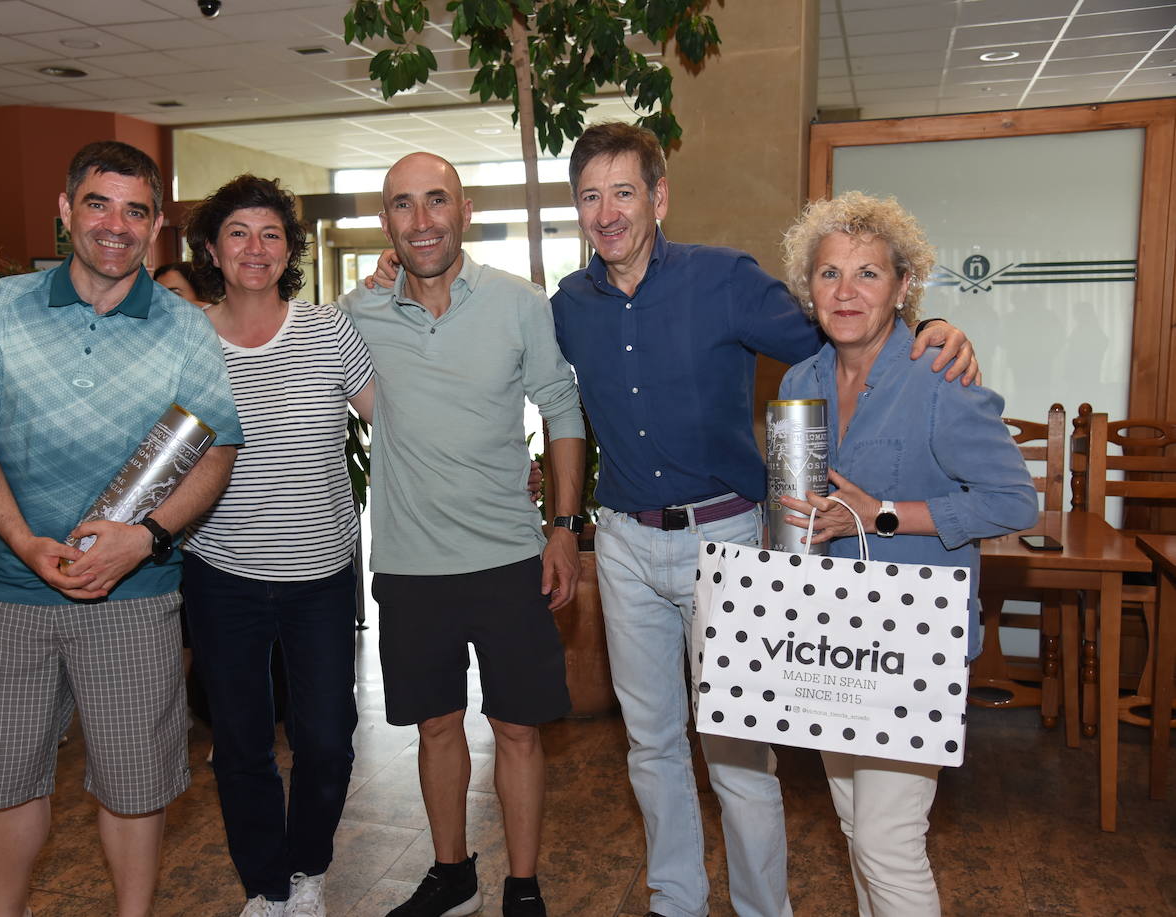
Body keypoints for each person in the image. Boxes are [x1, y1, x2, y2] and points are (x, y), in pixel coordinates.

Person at [549, 122, 979, 917]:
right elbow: (528, 373)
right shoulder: (570, 306)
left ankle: (760, 909)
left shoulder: (724, 279)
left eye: (623, 191)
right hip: (624, 544)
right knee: (651, 745)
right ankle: (676, 898)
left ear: (659, 196)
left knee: (740, 752)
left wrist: (933, 331)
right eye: (589, 195)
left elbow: (843, 323)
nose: (606, 212)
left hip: (728, 542)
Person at [0, 140, 243, 917]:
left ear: (157, 224)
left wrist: (147, 539)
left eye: (135, 210)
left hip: (134, 596)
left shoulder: (184, 327)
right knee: (1, 781)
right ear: (66, 208)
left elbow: (218, 451)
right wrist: (21, 540)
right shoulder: (2, 305)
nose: (115, 225)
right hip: (7, 589)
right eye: (98, 204)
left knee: (136, 786)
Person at [776, 190, 1035, 915]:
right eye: (830, 274)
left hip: (912, 643)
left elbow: (1015, 502)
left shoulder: (936, 375)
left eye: (868, 274)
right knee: (859, 826)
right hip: (829, 642)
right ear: (810, 288)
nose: (848, 291)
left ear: (901, 286)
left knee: (888, 839)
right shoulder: (802, 384)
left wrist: (882, 514)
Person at [340, 152, 585, 917]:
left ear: (465, 210)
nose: (422, 220)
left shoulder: (517, 302)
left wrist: (565, 528)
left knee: (516, 728)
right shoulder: (358, 312)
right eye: (404, 205)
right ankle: (453, 875)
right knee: (436, 726)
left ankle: (522, 881)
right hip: (410, 567)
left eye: (436, 200)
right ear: (387, 222)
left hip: (510, 558)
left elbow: (563, 410)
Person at [179, 174, 374, 917]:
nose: (254, 248)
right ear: (212, 248)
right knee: (240, 744)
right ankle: (265, 886)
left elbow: (394, 417)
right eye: (238, 233)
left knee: (326, 738)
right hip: (221, 572)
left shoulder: (327, 329)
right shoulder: (188, 334)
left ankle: (309, 870)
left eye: (270, 233)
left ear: (289, 247)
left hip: (321, 573)